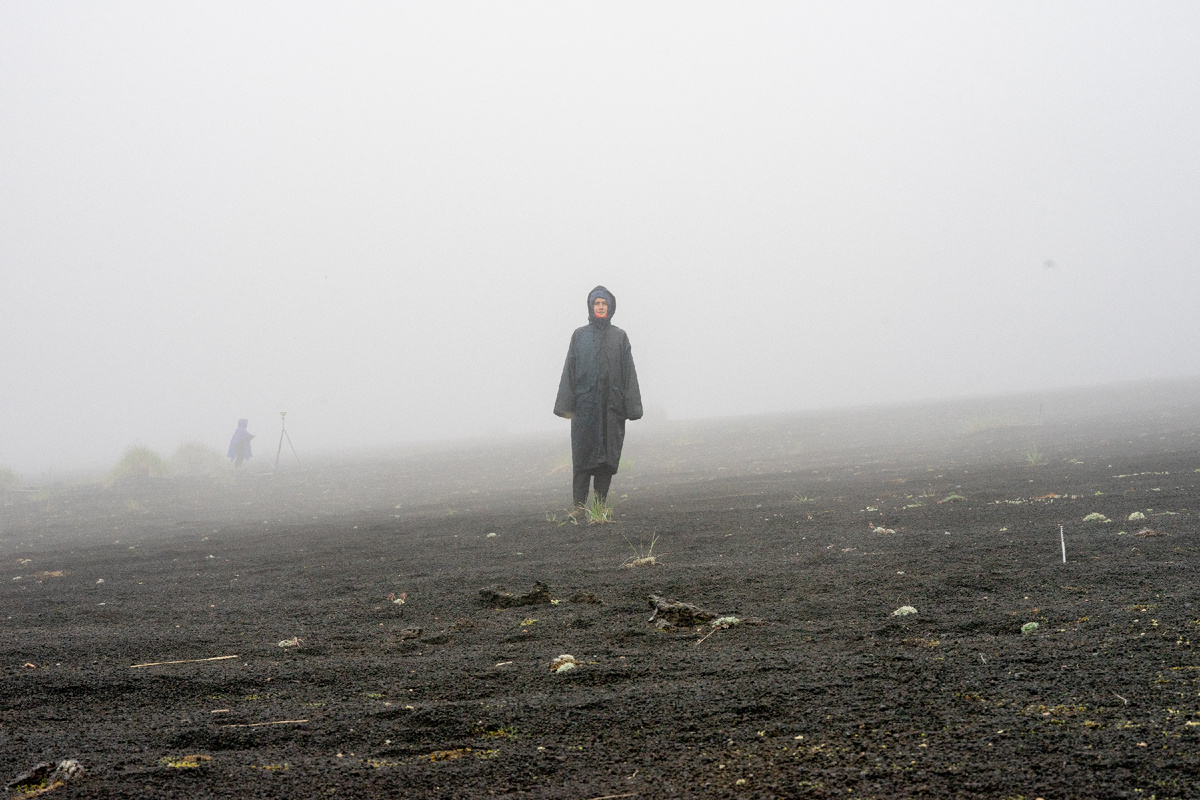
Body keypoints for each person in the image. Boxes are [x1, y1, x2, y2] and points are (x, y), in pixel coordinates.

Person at [554, 285, 643, 514]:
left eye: (604, 303)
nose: (601, 307)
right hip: (585, 408)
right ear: (591, 307)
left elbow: (629, 373)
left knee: (607, 458)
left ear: (610, 307)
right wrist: (566, 406)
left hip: (612, 407)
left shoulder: (620, 337)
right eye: (597, 303)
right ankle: (578, 506)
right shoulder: (579, 336)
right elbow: (569, 371)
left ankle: (600, 505)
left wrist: (632, 407)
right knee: (583, 456)